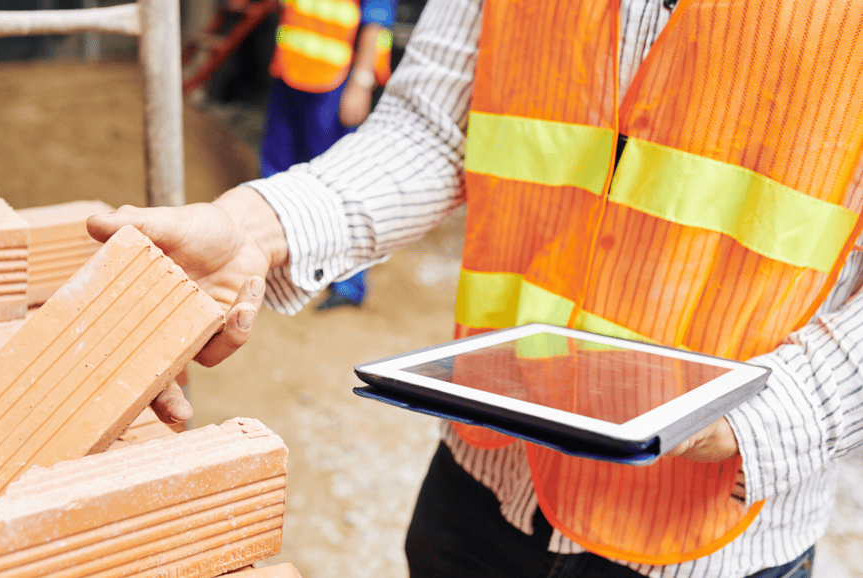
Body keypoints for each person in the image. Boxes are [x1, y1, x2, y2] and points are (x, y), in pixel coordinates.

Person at [88, 0, 863, 576]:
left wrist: (768, 415)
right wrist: (256, 229)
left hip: (710, 531)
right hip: (487, 476)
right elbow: (435, 125)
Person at [259, 0, 397, 310]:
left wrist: (361, 84)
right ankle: (284, 262)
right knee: (278, 170)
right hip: (292, 74)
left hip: (334, 85)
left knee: (338, 183)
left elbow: (376, 22)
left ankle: (348, 285)